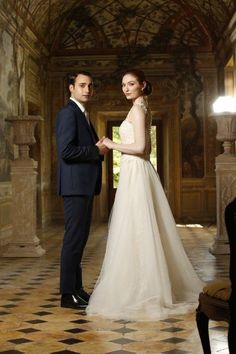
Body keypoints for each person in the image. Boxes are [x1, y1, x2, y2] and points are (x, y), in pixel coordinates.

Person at [86, 69, 203, 321]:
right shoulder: (139, 107)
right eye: (123, 85)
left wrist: (111, 144)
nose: (126, 88)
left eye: (131, 84)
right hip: (132, 172)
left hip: (137, 171)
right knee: (135, 229)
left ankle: (147, 290)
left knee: (139, 228)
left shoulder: (139, 109)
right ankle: (139, 284)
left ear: (142, 85)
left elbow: (142, 148)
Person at [56, 71, 108, 309]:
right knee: (73, 241)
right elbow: (66, 152)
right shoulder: (68, 113)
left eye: (90, 85)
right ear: (71, 88)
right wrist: (95, 151)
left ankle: (77, 290)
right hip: (75, 187)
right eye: (82, 85)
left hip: (84, 186)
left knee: (80, 240)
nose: (87, 89)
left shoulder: (82, 113)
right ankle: (67, 295)